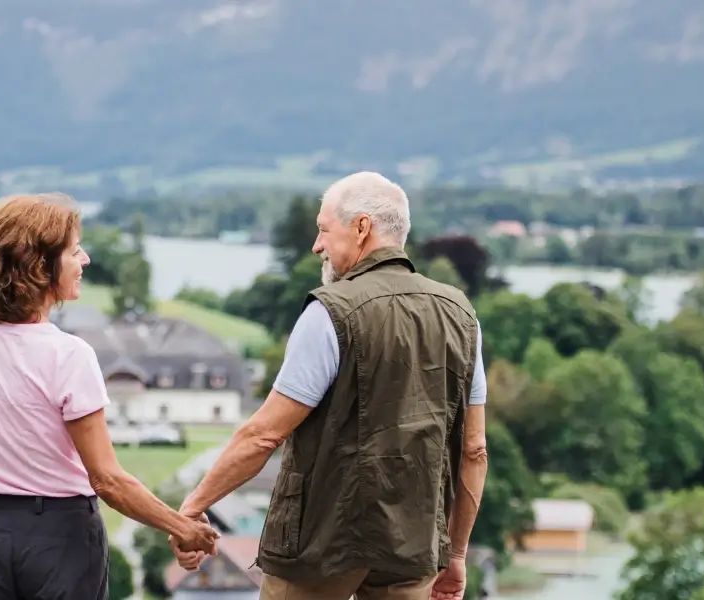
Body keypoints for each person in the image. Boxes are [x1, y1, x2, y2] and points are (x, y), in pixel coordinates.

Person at [172, 172, 490, 600]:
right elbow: (474, 451)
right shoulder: (461, 317)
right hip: (413, 550)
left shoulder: (330, 312)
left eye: (323, 230)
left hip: (321, 548)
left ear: (361, 228)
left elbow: (264, 434)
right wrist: (455, 555)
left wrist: (191, 509)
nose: (316, 246)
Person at [0, 193, 220, 599]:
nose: (84, 261)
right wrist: (184, 528)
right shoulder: (69, 355)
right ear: (39, 265)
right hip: (59, 535)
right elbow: (107, 480)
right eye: (74, 251)